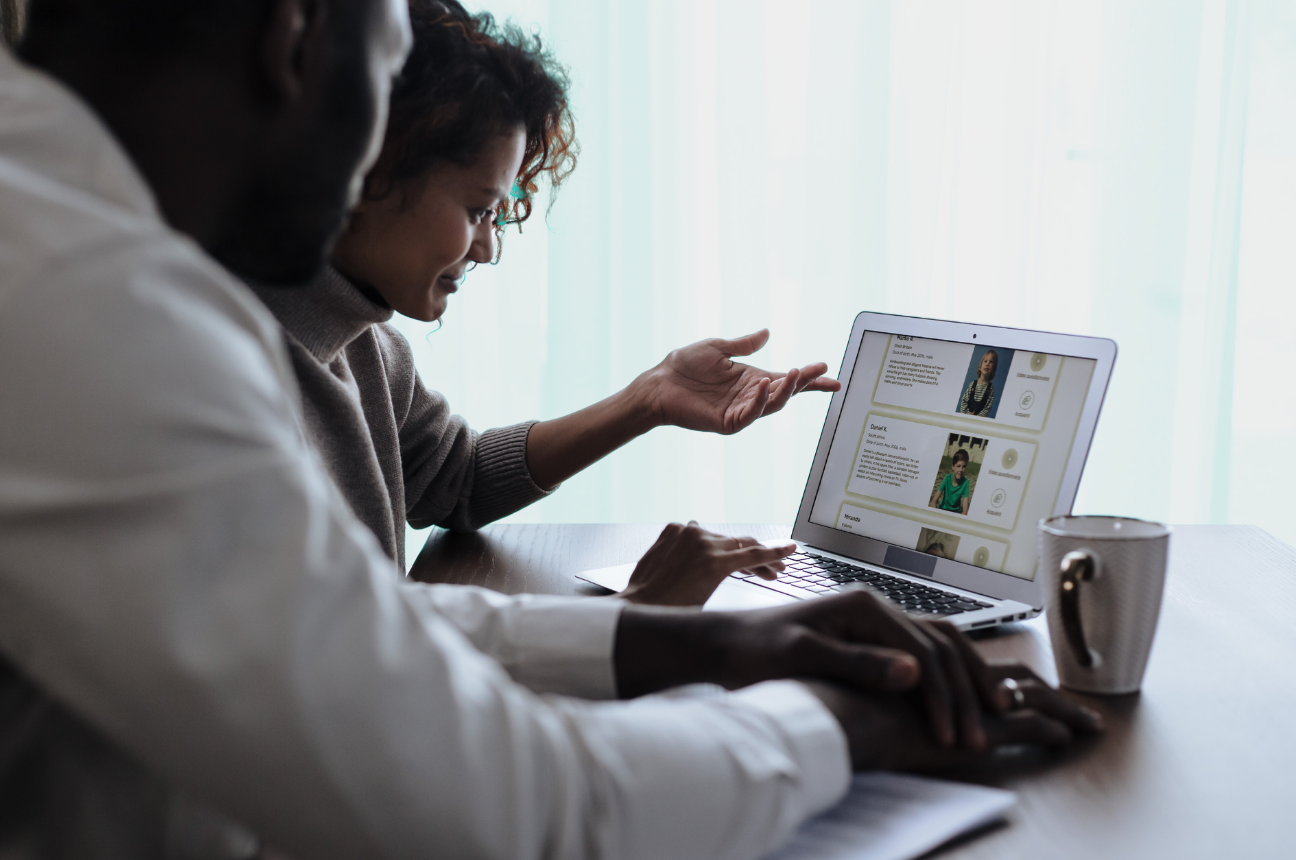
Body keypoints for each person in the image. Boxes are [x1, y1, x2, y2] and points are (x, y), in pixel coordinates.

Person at [0, 2, 1100, 858]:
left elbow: (339, 622)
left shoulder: (71, 244)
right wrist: (833, 718)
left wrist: (705, 640)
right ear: (296, 33)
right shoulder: (90, 304)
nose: (370, 156)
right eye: (386, 79)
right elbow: (521, 809)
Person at [247, 0, 831, 603]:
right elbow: (327, 650)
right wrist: (634, 618)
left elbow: (458, 477)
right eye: (477, 210)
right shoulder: (229, 363)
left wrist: (648, 398)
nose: (487, 248)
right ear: (367, 165)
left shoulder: (369, 348)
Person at [930, 449, 974, 515]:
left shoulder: (966, 482)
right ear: (953, 466)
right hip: (943, 508)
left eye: (963, 467)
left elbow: (965, 510)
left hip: (955, 512)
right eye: (958, 466)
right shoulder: (947, 478)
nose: (961, 470)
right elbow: (933, 501)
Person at [958, 349, 998, 417]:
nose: (987, 364)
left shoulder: (990, 388)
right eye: (985, 361)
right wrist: (968, 415)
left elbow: (987, 408)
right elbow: (964, 401)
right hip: (966, 417)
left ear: (993, 369)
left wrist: (977, 418)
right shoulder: (973, 384)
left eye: (991, 362)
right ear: (980, 367)